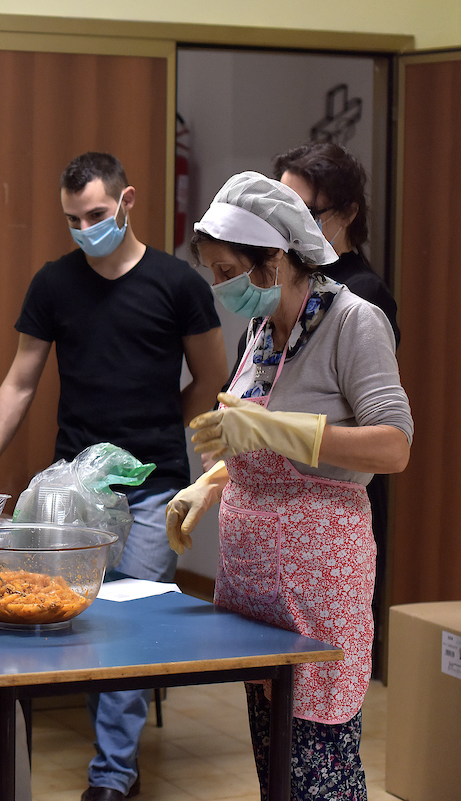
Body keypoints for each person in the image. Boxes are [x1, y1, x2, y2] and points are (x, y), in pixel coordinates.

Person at [0, 151, 228, 801]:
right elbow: (21, 377)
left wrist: (167, 429)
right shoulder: (54, 284)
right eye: (73, 219)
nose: (86, 228)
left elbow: (212, 375)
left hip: (153, 482)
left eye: (97, 214)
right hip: (76, 486)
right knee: (81, 617)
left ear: (128, 200)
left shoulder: (177, 284)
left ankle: (112, 775)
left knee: (130, 620)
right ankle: (104, 755)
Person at [167, 171, 412, 800]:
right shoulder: (263, 329)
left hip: (319, 581)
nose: (219, 288)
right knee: (275, 763)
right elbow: (257, 435)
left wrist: (289, 432)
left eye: (227, 271)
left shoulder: (353, 322)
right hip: (259, 584)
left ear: (274, 259)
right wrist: (213, 484)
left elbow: (394, 446)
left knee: (317, 768)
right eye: (213, 272)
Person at [273, 142, 400, 670]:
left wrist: (280, 431)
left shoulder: (359, 302)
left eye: (303, 213)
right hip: (274, 543)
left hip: (328, 518)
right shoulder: (275, 297)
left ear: (346, 215)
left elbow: (388, 438)